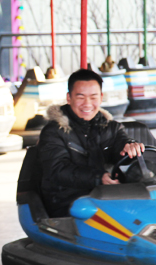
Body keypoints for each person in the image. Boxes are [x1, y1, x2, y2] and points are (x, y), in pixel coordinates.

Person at [38, 68, 145, 218]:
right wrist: (98, 178)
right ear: (69, 98)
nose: (87, 104)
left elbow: (121, 142)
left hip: (105, 196)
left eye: (93, 97)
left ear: (101, 98)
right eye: (80, 97)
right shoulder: (54, 131)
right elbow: (58, 170)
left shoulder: (112, 127)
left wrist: (130, 146)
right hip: (67, 201)